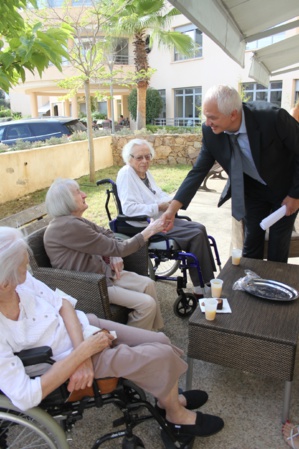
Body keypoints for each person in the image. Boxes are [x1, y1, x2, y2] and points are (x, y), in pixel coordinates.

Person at [0, 226, 225, 439]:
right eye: (23, 263)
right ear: (4, 284)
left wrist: (83, 349)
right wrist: (82, 355)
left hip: (83, 331)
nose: (28, 264)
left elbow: (63, 304)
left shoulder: (22, 281)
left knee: (161, 340)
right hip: (64, 361)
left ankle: (167, 401)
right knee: (161, 355)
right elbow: (24, 396)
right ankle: (176, 416)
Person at [161, 85, 299, 263]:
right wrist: (172, 209)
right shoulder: (211, 132)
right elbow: (198, 172)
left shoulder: (273, 118)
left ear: (233, 114)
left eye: (212, 117)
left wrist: (295, 195)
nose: (208, 122)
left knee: (277, 247)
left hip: (285, 189)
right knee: (251, 243)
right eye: (206, 117)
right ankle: (250, 284)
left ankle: (274, 286)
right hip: (253, 190)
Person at [43, 178, 164, 331]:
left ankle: (153, 334)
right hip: (91, 285)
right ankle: (133, 345)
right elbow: (120, 248)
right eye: (78, 192)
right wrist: (149, 231)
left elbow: (107, 234)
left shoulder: (74, 221)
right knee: (147, 304)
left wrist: (113, 254)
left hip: (104, 273)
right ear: (65, 200)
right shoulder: (68, 226)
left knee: (148, 284)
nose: (84, 194)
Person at [116, 138, 216, 298]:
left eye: (147, 156)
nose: (144, 161)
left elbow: (158, 193)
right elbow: (129, 209)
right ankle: (201, 287)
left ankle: (208, 280)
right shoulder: (126, 174)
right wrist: (159, 207)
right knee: (195, 234)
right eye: (139, 157)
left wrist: (171, 202)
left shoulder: (145, 173)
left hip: (159, 219)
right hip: (144, 225)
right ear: (129, 158)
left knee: (199, 228)